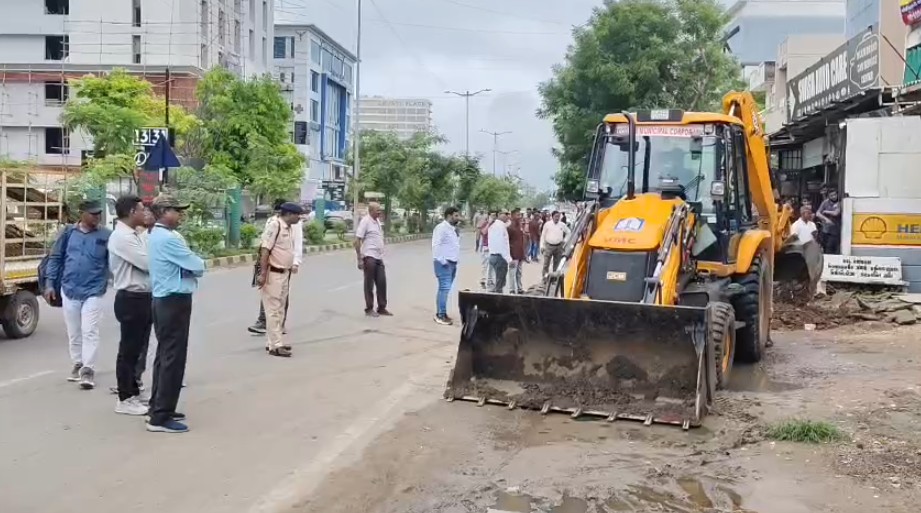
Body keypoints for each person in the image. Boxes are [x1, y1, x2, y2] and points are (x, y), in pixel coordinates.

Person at [146, 194, 205, 434]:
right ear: (164, 212)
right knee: (173, 358)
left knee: (164, 355)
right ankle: (160, 416)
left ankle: (159, 406)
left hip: (164, 299)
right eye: (176, 211)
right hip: (173, 301)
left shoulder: (156, 235)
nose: (180, 215)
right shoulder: (169, 239)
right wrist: (193, 267)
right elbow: (198, 265)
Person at [44, 199, 111, 390]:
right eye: (93, 214)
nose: (97, 217)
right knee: (74, 331)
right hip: (69, 288)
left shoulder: (106, 235)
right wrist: (49, 284)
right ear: (82, 214)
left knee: (89, 330)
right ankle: (78, 363)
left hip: (94, 290)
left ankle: (88, 369)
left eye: (99, 214)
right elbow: (55, 258)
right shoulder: (67, 233)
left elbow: (113, 260)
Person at [108, 195, 154, 415]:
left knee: (138, 349)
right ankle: (124, 398)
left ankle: (134, 391)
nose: (145, 213)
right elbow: (147, 263)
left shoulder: (137, 234)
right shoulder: (121, 237)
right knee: (128, 350)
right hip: (131, 298)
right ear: (130, 212)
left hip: (144, 297)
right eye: (141, 210)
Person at [248, 200, 304, 335]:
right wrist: (262, 271)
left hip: (285, 266)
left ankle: (278, 326)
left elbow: (297, 242)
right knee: (270, 297)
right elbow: (265, 247)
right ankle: (265, 323)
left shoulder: (293, 225)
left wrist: (296, 261)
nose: (299, 217)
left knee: (281, 298)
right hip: (271, 265)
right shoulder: (273, 223)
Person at [355, 202, 391, 317]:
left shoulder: (377, 222)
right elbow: (357, 240)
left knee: (381, 282)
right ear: (371, 211)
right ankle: (369, 308)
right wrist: (359, 258)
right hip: (369, 256)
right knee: (369, 283)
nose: (379, 212)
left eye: (380, 210)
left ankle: (381, 307)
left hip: (378, 257)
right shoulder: (366, 221)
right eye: (377, 210)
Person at [432, 206, 462, 325]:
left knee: (445, 289)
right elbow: (436, 245)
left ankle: (442, 312)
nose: (458, 218)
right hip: (444, 263)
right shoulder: (441, 228)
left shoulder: (452, 229)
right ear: (449, 216)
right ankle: (440, 315)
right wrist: (442, 261)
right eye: (456, 216)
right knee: (444, 288)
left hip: (452, 262)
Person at [541, 211, 571, 280]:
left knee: (557, 264)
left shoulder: (562, 225)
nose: (557, 218)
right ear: (552, 216)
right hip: (548, 246)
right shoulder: (547, 224)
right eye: (556, 216)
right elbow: (543, 235)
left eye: (558, 216)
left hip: (559, 246)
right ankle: (545, 277)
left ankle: (554, 279)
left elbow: (569, 232)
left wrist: (565, 241)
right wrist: (542, 246)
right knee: (546, 263)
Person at [487, 211, 512, 293]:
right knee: (500, 283)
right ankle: (497, 300)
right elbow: (501, 244)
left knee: (498, 281)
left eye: (508, 214)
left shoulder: (494, 225)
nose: (507, 216)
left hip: (493, 255)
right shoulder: (500, 226)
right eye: (505, 214)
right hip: (500, 257)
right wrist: (508, 259)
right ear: (499, 215)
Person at [507, 209, 526, 294]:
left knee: (519, 273)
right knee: (512, 273)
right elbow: (507, 242)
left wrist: (524, 253)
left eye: (520, 215)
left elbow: (522, 240)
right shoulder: (510, 228)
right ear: (512, 216)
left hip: (520, 253)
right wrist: (510, 255)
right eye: (517, 215)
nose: (519, 217)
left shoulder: (520, 227)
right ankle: (512, 289)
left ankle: (520, 288)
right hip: (513, 254)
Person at [816, 189, 841, 254]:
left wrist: (826, 211)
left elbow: (836, 213)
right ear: (829, 196)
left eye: (835, 195)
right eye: (831, 195)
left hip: (835, 230)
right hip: (825, 230)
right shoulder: (825, 202)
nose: (833, 197)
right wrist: (825, 219)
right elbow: (818, 213)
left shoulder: (839, 202)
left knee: (830, 248)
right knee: (824, 247)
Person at [478, 212, 496, 289]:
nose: (493, 217)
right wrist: (489, 223)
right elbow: (484, 232)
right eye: (492, 215)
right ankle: (483, 279)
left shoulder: (496, 225)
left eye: (495, 215)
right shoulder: (485, 223)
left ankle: (490, 280)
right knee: (485, 264)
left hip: (494, 247)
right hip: (486, 247)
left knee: (492, 265)